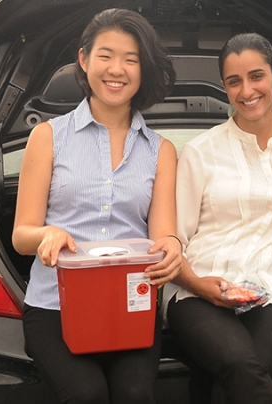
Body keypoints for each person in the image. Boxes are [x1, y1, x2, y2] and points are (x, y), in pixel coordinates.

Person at [11, 8, 181, 404]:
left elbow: (164, 235)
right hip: (56, 307)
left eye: (131, 59)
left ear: (144, 70)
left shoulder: (161, 151)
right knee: (86, 394)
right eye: (105, 55)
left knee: (136, 394)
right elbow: (22, 236)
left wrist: (172, 248)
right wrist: (46, 234)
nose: (116, 69)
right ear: (84, 60)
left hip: (131, 307)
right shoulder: (47, 136)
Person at [164, 33, 272, 404]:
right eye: (234, 81)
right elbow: (174, 240)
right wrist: (197, 284)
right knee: (242, 367)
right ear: (224, 88)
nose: (247, 90)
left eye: (256, 76)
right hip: (200, 287)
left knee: (235, 383)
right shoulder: (200, 152)